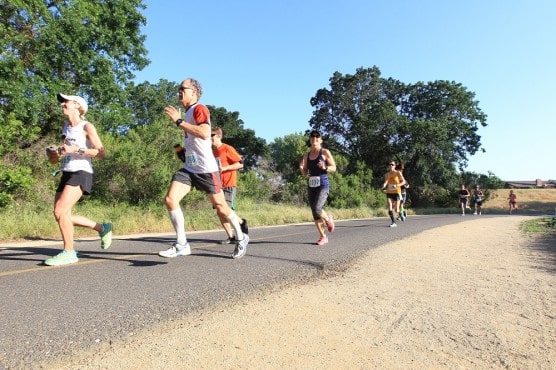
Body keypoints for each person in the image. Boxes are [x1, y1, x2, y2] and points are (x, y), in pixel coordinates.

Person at [159, 78, 249, 259]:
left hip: (207, 170)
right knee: (170, 199)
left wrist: (178, 122)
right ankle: (182, 244)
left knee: (221, 208)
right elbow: (196, 141)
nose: (179, 91)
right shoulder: (187, 113)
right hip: (190, 169)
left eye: (182, 88)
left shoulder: (200, 109)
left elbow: (205, 133)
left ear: (194, 92)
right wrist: (184, 152)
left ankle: (241, 237)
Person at [44, 93, 112, 266]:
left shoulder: (87, 126)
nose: (62, 104)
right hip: (67, 171)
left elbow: (101, 152)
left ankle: (69, 252)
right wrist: (53, 155)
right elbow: (59, 158)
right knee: (61, 215)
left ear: (78, 106)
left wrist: (77, 149)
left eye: (66, 101)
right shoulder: (65, 127)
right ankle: (102, 228)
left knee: (61, 211)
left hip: (81, 172)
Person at [211, 126, 248, 244]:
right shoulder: (211, 151)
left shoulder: (227, 148)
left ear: (219, 136)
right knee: (219, 211)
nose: (209, 138)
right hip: (217, 185)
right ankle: (231, 236)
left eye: (212, 135)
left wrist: (226, 168)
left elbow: (240, 164)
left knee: (223, 210)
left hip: (228, 184)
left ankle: (241, 224)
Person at [299, 130, 336, 245]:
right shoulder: (307, 155)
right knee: (314, 212)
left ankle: (328, 219)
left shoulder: (325, 152)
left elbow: (334, 167)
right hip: (312, 185)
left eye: (317, 137)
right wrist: (301, 169)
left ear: (320, 140)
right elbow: (305, 173)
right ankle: (323, 237)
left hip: (323, 185)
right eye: (312, 137)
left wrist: (325, 167)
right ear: (310, 140)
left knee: (317, 208)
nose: (314, 139)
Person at [381, 161, 407, 227]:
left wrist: (397, 185)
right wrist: (383, 186)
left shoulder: (398, 173)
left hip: (397, 192)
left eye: (392, 165)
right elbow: (386, 181)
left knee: (396, 209)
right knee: (389, 207)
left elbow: (403, 182)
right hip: (389, 192)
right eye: (389, 165)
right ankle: (394, 222)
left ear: (395, 166)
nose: (391, 166)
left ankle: (401, 214)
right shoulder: (387, 174)